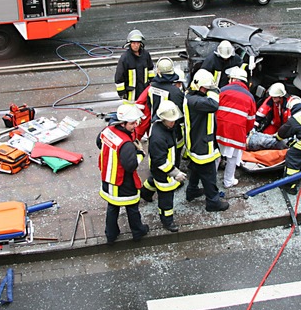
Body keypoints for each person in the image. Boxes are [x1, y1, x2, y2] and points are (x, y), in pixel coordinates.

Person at [97, 102, 150, 244]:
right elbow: (130, 166)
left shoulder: (108, 130)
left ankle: (111, 234)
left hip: (108, 179)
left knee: (112, 207)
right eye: (132, 123)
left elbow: (99, 142)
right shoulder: (126, 144)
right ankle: (138, 231)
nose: (135, 126)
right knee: (132, 208)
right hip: (123, 182)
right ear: (122, 123)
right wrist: (140, 153)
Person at [184, 69, 230, 212]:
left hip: (196, 143)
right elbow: (213, 105)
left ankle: (191, 191)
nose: (207, 91)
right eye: (206, 88)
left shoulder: (191, 96)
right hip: (203, 146)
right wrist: (215, 90)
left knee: (196, 169)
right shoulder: (195, 101)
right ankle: (213, 202)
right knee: (209, 176)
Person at [142, 100, 187, 232]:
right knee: (166, 196)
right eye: (170, 121)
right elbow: (161, 161)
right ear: (163, 118)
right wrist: (175, 173)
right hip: (164, 170)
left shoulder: (163, 126)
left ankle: (145, 193)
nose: (173, 123)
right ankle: (167, 220)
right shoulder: (158, 137)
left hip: (159, 169)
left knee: (153, 181)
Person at [215, 67, 256, 188]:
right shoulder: (250, 97)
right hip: (237, 132)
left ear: (232, 79)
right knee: (232, 158)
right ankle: (228, 181)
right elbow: (250, 120)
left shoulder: (221, 90)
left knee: (216, 156)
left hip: (219, 129)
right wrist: (245, 131)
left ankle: (211, 182)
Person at [134, 57, 184, 140]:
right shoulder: (175, 92)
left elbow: (149, 106)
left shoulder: (152, 87)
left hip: (155, 127)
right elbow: (181, 113)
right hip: (172, 131)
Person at [115, 29, 155, 101]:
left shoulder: (146, 55)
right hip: (131, 94)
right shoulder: (125, 58)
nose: (136, 45)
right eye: (133, 43)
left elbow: (150, 70)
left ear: (140, 43)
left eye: (137, 43)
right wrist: (122, 93)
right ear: (130, 43)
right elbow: (119, 77)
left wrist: (153, 83)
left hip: (144, 91)